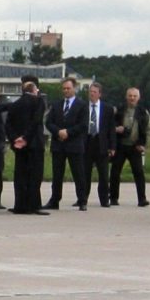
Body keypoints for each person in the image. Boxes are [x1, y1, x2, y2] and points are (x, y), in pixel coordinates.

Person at [5, 75, 49, 215]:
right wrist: (26, 138)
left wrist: (15, 139)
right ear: (34, 89)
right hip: (34, 144)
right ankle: (34, 205)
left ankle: (20, 205)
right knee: (35, 175)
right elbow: (36, 122)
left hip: (19, 146)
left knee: (20, 175)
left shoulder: (15, 104)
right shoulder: (39, 102)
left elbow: (8, 124)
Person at [46, 78, 90, 210]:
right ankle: (55, 200)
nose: (66, 91)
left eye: (68, 88)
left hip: (74, 144)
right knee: (57, 174)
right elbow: (48, 122)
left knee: (78, 173)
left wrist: (68, 132)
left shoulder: (82, 105)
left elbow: (83, 125)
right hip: (58, 144)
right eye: (64, 88)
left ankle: (82, 200)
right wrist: (58, 132)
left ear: (74, 88)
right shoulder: (56, 104)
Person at [111, 86, 150, 206]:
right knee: (115, 172)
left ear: (139, 97)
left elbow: (149, 130)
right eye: (130, 96)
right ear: (126, 97)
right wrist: (116, 129)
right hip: (120, 145)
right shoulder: (118, 110)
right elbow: (109, 126)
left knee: (139, 173)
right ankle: (113, 198)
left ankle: (142, 199)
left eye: (134, 96)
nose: (132, 98)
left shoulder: (144, 112)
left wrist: (144, 145)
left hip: (135, 146)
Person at [84, 81, 115, 206]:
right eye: (90, 92)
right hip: (87, 143)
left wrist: (112, 146)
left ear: (99, 94)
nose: (92, 94)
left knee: (103, 174)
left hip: (101, 143)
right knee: (85, 173)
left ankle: (104, 199)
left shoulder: (107, 109)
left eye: (94, 92)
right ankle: (83, 198)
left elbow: (111, 129)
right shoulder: (83, 106)